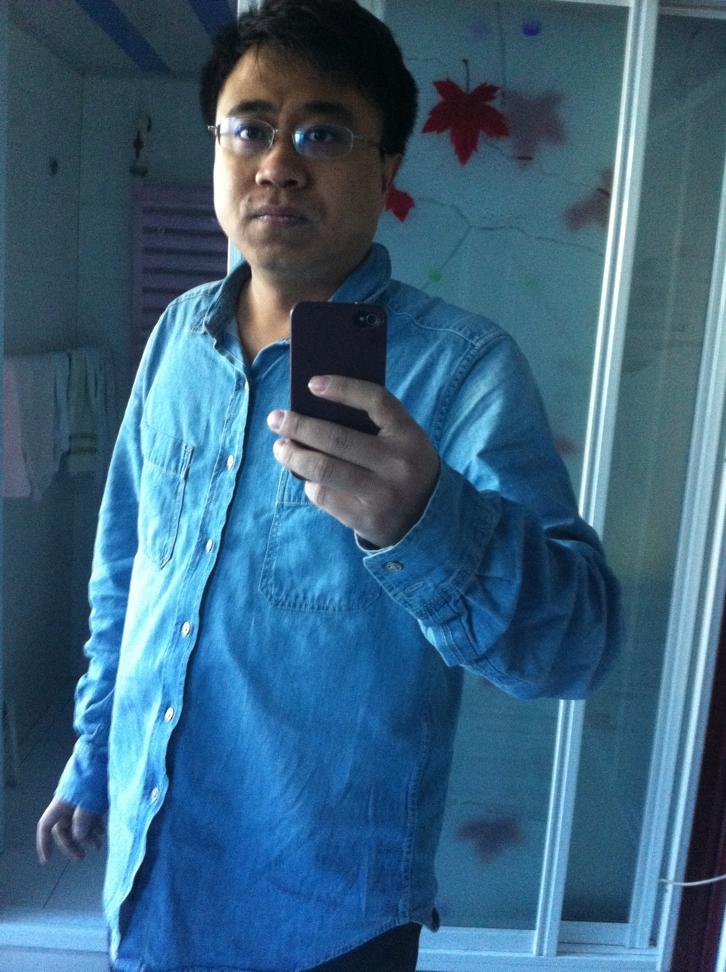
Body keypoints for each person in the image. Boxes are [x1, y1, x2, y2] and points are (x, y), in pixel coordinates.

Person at [36, 1, 620, 969]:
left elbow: (579, 650)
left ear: (387, 171)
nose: (277, 163)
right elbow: (126, 570)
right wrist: (93, 756)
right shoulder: (178, 337)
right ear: (217, 146)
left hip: (330, 923)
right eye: (249, 128)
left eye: (322, 133)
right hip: (150, 883)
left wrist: (427, 522)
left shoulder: (461, 372)